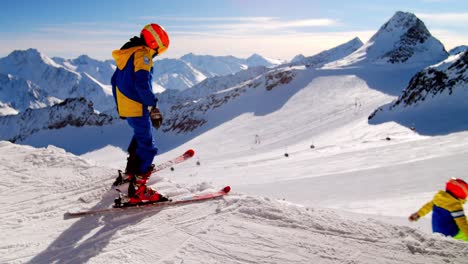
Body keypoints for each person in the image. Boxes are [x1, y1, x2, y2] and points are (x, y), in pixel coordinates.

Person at [111, 23, 169, 204]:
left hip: (127, 105)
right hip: (137, 106)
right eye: (160, 49)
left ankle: (130, 175)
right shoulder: (143, 54)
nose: (158, 53)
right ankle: (137, 189)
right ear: (155, 43)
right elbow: (142, 84)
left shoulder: (127, 54)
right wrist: (152, 107)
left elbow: (114, 81)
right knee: (148, 146)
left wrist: (121, 107)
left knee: (139, 137)